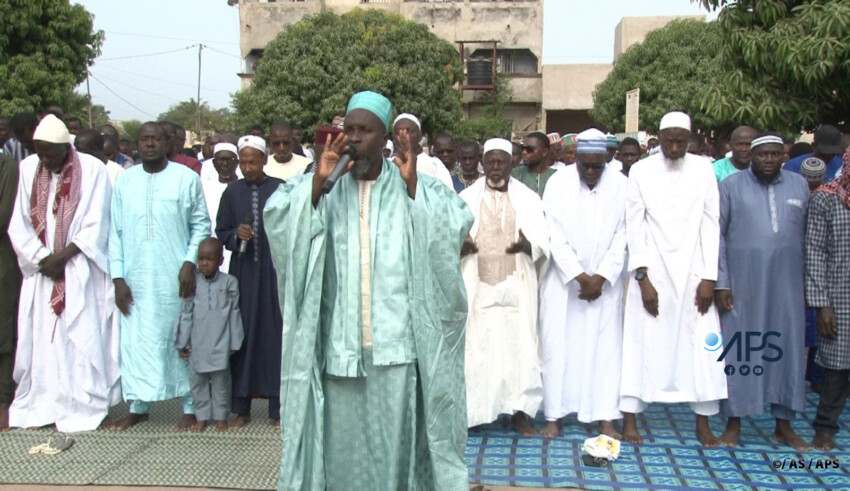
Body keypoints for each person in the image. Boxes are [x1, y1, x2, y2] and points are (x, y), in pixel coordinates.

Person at [264, 90, 472, 489]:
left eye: (366, 130)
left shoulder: (415, 185)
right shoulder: (324, 185)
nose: (355, 138)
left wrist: (412, 188)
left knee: (393, 457)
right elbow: (278, 219)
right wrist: (318, 181)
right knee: (342, 458)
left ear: (385, 138)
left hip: (396, 350)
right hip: (338, 350)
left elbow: (455, 225)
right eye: (350, 128)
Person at [620, 111, 727, 447]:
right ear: (660, 139)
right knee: (642, 341)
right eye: (670, 140)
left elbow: (712, 224)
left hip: (695, 271)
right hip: (653, 272)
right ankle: (630, 419)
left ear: (690, 138)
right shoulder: (640, 171)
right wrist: (642, 278)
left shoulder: (703, 169)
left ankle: (703, 422)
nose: (676, 146)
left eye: (682, 140)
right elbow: (634, 226)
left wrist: (709, 276)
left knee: (703, 345)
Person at [7, 115, 120, 432]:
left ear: (66, 148)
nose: (45, 160)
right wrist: (42, 258)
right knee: (43, 342)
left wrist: (65, 256)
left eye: (51, 154)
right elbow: (19, 224)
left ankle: (82, 404)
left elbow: (97, 222)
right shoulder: (29, 168)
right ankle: (46, 404)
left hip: (79, 267)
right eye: (40, 152)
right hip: (42, 271)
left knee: (79, 337)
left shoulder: (92, 169)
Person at [108, 122, 210, 431]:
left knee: (180, 339)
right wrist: (118, 278)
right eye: (144, 139)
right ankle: (138, 405)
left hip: (175, 278)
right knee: (137, 342)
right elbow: (115, 233)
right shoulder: (125, 182)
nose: (150, 144)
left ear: (167, 143)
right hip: (136, 278)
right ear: (137, 144)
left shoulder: (186, 179)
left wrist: (189, 263)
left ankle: (191, 405)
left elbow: (201, 225)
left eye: (156, 139)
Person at [714, 133, 810, 450]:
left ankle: (783, 425)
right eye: (762, 155)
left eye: (774, 155)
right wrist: (722, 282)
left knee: (787, 350)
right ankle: (734, 422)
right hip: (743, 285)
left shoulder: (799, 186)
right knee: (741, 350)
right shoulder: (730, 186)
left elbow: (809, 238)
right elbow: (718, 238)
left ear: (783, 156)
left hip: (788, 285)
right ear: (750, 156)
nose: (768, 160)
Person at [538, 131, 627, 440]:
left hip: (604, 287)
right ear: (574, 159)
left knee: (605, 351)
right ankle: (554, 416)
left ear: (606, 160)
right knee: (557, 348)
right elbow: (552, 232)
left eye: (597, 166)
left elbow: (623, 237)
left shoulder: (621, 185)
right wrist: (579, 275)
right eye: (585, 166)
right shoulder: (557, 183)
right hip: (564, 286)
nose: (590, 172)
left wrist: (600, 277)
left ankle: (604, 417)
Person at [460, 138, 548, 436]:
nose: (496, 167)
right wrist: (460, 248)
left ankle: (520, 413)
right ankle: (477, 412)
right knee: (477, 349)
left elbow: (544, 242)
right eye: (491, 161)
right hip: (478, 288)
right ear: (482, 163)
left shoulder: (529, 200)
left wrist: (529, 245)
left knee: (520, 349)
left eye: (502, 161)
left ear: (512, 163)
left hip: (517, 289)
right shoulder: (465, 199)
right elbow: (450, 239)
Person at [215, 135, 284, 427]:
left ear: (264, 160)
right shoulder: (232, 192)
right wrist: (235, 236)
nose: (247, 167)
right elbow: (221, 231)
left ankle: (277, 409)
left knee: (275, 337)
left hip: (273, 273)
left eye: (252, 161)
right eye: (243, 162)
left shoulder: (280, 189)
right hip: (243, 273)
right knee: (240, 336)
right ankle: (241, 407)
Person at [174, 237, 244, 433]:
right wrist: (182, 343)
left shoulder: (229, 282)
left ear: (221, 260)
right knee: (198, 382)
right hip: (198, 344)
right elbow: (186, 314)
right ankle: (202, 417)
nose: (204, 263)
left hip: (221, 342)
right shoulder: (193, 284)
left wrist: (235, 342)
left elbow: (234, 312)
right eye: (201, 259)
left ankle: (221, 416)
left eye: (209, 259)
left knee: (222, 383)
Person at [806, 148, 850, 451]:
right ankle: (824, 427)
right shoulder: (827, 197)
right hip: (839, 295)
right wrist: (822, 303)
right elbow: (814, 252)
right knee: (837, 366)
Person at [0, 151, 20, 431]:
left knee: (3, 334)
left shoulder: (7, 166)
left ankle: (4, 400)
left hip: (3, 261)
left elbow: (4, 216)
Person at [203, 142, 240, 273]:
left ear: (237, 162)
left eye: (229, 160)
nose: (225, 164)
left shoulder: (244, 187)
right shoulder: (204, 188)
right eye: (221, 160)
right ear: (214, 163)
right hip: (211, 252)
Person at [392, 113, 453, 188]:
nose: (403, 136)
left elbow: (449, 196)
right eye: (398, 132)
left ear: (420, 136)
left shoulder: (434, 165)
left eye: (408, 131)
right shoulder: (386, 165)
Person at [513, 132, 556, 198]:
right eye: (523, 148)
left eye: (529, 149)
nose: (524, 152)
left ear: (544, 152)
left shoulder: (557, 176)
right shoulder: (513, 175)